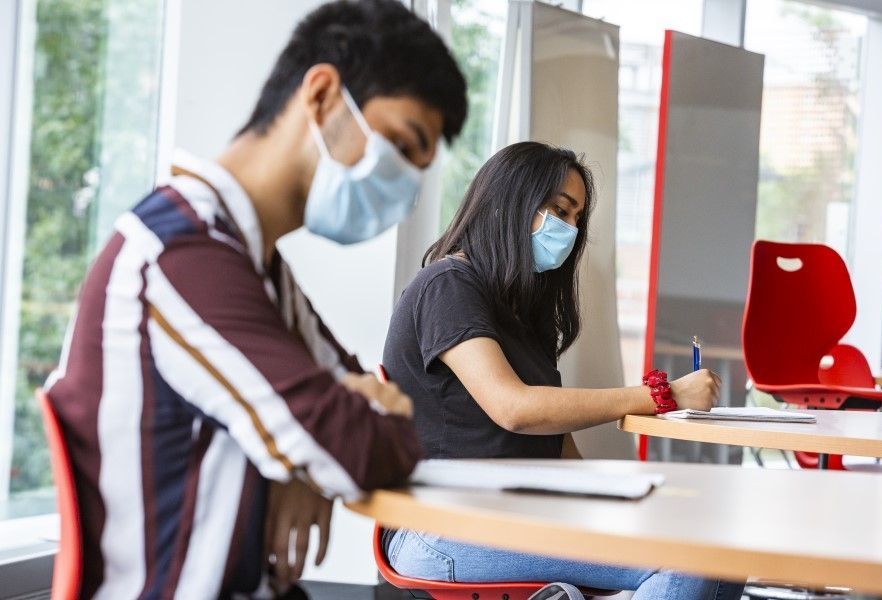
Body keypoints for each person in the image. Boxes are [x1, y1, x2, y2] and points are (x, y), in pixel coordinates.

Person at [44, 1, 467, 598]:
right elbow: (358, 446)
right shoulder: (180, 254)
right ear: (321, 94)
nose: (400, 189)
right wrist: (314, 450)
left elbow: (379, 424)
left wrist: (304, 457)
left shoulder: (257, 265)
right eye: (398, 144)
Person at [382, 141, 745, 599]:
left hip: (512, 508)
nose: (569, 230)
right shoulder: (447, 286)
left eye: (576, 219)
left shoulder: (517, 309)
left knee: (728, 549)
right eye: (560, 210)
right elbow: (514, 409)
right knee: (686, 562)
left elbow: (552, 441)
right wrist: (659, 395)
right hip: (438, 526)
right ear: (510, 203)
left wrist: (619, 504)